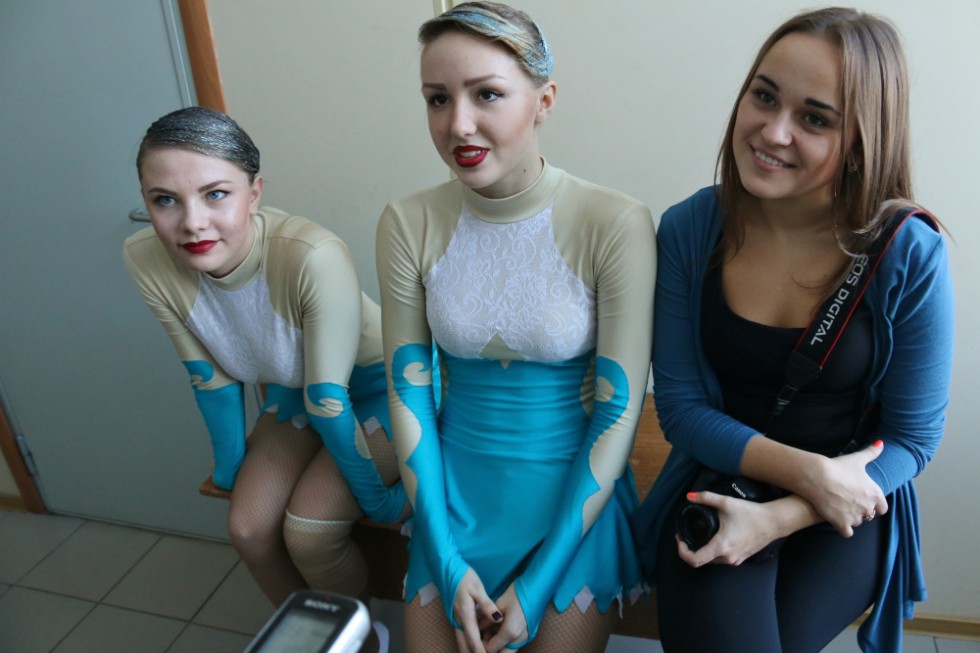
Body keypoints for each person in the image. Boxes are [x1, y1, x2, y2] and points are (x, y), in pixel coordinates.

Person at [632, 8, 954, 653]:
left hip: (850, 503)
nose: (773, 132)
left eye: (815, 119)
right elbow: (683, 410)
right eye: (764, 97)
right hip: (722, 476)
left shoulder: (908, 250)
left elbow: (913, 439)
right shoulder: (690, 228)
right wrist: (808, 476)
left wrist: (787, 513)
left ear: (861, 139)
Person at [375, 4, 656, 652]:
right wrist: (444, 557)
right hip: (453, 498)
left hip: (574, 500)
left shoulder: (613, 222)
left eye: (487, 94)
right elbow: (408, 393)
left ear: (544, 100)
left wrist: (537, 585)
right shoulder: (407, 222)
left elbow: (618, 411)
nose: (458, 124)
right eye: (437, 99)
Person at [124, 107, 406, 651]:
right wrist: (230, 473)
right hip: (296, 392)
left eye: (215, 194)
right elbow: (209, 379)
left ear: (254, 193)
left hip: (383, 389)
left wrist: (380, 502)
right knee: (249, 529)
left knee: (309, 530)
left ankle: (360, 637)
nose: (192, 223)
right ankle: (330, 643)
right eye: (165, 200)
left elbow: (329, 400)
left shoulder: (312, 254)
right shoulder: (144, 257)